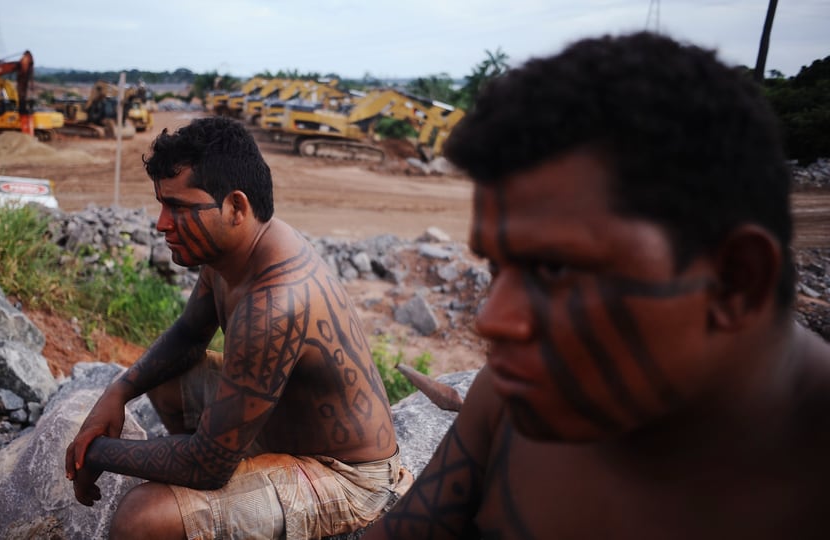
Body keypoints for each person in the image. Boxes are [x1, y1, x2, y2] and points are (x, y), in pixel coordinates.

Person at [363, 31, 830, 539]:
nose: (491, 320)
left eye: (556, 270)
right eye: (498, 268)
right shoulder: (509, 400)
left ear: (736, 281)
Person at [65, 116, 411, 539]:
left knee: (142, 518)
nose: (161, 223)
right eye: (161, 204)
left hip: (348, 478)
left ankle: (220, 507)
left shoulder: (275, 304)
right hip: (280, 426)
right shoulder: (234, 252)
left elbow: (206, 466)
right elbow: (190, 336)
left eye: (178, 207)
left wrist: (95, 453)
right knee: (166, 376)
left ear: (236, 207)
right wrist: (118, 392)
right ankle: (231, 494)